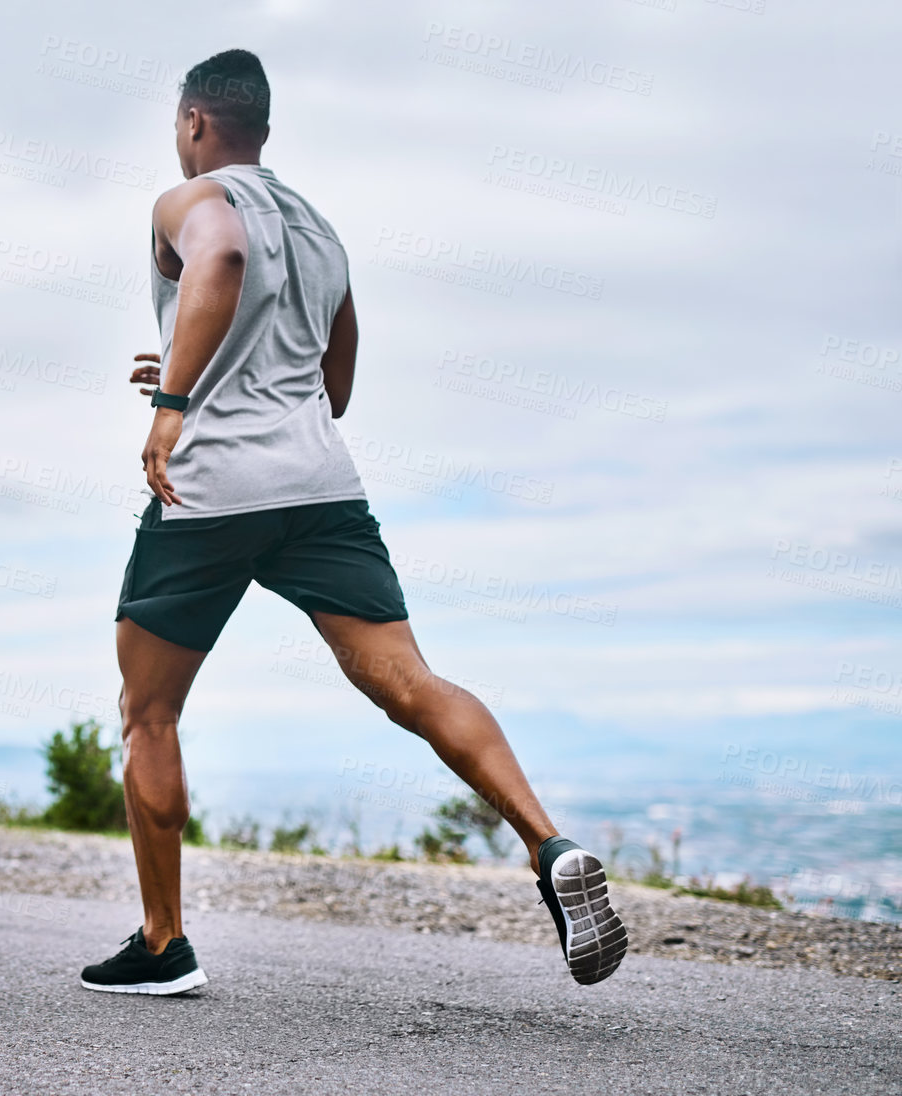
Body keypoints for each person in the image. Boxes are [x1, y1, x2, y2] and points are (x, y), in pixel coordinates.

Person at [79, 49, 628, 995]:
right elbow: (333, 384)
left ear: (196, 123)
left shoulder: (190, 202)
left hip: (209, 494)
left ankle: (164, 945)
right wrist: (190, 365)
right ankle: (550, 847)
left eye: (180, 126)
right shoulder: (320, 227)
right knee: (410, 682)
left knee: (150, 712)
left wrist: (174, 402)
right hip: (321, 487)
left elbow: (221, 254)